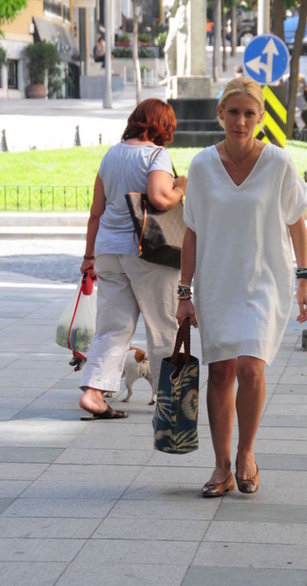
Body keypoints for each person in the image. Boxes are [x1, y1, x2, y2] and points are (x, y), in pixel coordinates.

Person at [176, 77, 307, 497]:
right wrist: (184, 293)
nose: (240, 121)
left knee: (251, 367)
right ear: (220, 114)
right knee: (220, 371)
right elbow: (191, 232)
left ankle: (246, 453)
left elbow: (296, 222)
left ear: (261, 117)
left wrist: (303, 279)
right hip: (217, 282)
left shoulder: (279, 164)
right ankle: (221, 467)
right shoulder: (202, 165)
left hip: (265, 281)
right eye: (233, 112)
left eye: (249, 113)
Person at [79, 98, 187, 420]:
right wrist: (181, 187)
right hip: (148, 252)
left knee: (113, 327)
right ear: (163, 127)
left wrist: (89, 256)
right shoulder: (156, 155)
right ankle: (171, 401)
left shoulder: (111, 155)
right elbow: (159, 197)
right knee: (164, 325)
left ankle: (94, 393)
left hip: (108, 251)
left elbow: (95, 212)